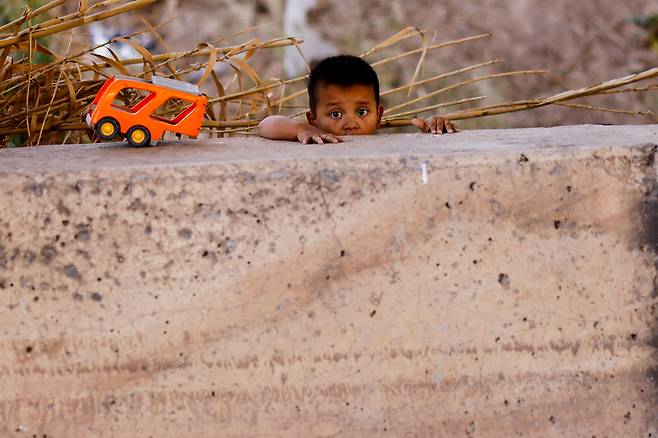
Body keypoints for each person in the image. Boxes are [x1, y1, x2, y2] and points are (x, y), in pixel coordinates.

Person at [258, 54, 458, 144]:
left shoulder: (382, 145)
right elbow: (266, 124)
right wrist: (302, 129)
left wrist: (434, 127)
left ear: (378, 115)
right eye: (335, 114)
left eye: (362, 112)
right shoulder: (315, 137)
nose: (351, 123)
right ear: (313, 119)